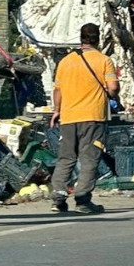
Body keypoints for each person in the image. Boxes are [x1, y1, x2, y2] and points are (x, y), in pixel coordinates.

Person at [49, 22, 117, 214]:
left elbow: (58, 90)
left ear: (81, 38)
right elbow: (112, 87)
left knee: (66, 158)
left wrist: (57, 110)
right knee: (89, 158)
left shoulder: (65, 61)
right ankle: (82, 200)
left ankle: (58, 199)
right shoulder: (104, 60)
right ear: (98, 38)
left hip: (69, 117)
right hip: (92, 116)